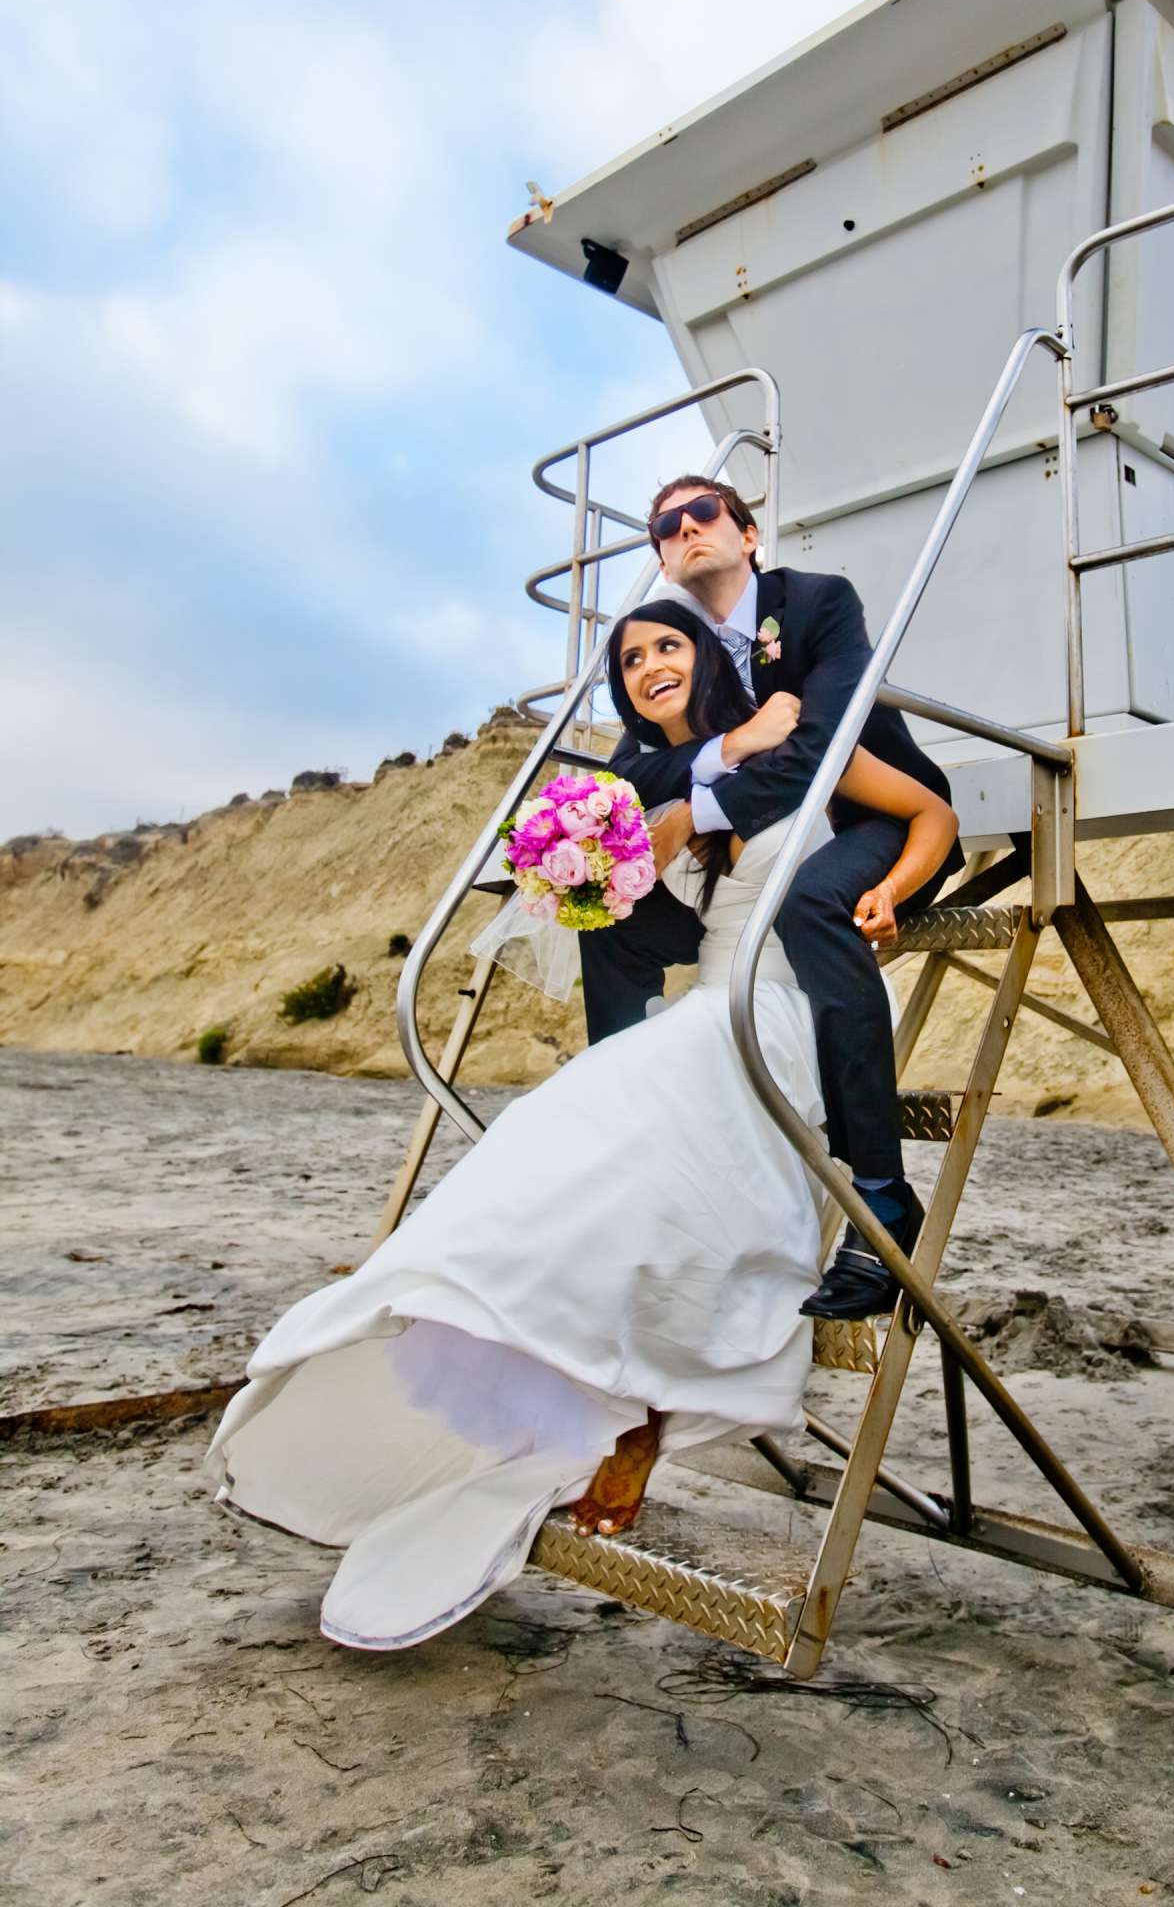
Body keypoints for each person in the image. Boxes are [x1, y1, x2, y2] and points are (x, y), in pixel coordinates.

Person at [204, 608, 957, 1653]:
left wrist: (887, 894)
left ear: (713, 659)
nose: (651, 665)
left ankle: (632, 1418)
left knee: (642, 1141)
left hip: (786, 1013)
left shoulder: (805, 743)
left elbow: (928, 814)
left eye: (668, 647)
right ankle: (462, 1312)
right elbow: (616, 901)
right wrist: (580, 864)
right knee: (555, 1132)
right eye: (632, 658)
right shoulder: (677, 794)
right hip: (706, 1010)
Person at [581, 475, 964, 1317]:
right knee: (601, 913)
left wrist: (692, 810)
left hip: (869, 814)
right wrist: (708, 766)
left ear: (748, 534)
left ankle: (881, 1198)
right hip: (745, 859)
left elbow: (821, 749)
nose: (682, 532)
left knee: (809, 905)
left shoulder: (819, 603)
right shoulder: (680, 652)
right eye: (663, 529)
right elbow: (632, 768)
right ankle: (602, 1105)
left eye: (700, 515)